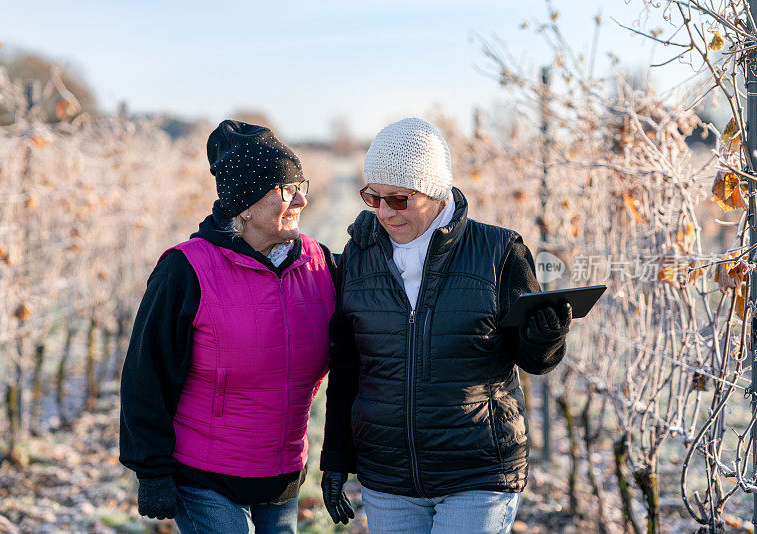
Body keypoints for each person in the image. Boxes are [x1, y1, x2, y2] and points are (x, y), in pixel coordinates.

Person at [320, 117, 571, 534]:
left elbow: (534, 361)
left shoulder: (498, 251)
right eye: (372, 197)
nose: (384, 212)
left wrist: (546, 337)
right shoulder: (358, 258)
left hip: (478, 472)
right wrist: (336, 459)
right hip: (388, 477)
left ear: (435, 193)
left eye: (399, 199)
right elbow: (348, 368)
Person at [119, 120, 337, 534]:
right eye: (285, 190)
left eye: (300, 185)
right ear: (246, 205)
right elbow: (146, 374)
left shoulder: (321, 264)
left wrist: (373, 249)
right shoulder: (185, 271)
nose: (302, 199)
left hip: (282, 475)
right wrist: (151, 470)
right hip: (204, 476)